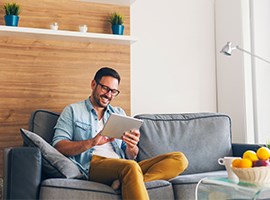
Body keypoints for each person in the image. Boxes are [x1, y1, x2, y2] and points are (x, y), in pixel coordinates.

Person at [52, 67, 188, 200]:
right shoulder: (73, 110)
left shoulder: (118, 113)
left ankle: (124, 182)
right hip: (93, 165)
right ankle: (128, 179)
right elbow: (58, 146)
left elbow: (131, 156)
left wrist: (131, 147)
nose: (108, 95)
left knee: (179, 159)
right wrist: (92, 142)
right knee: (131, 167)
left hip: (124, 166)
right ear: (93, 84)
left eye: (113, 91)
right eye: (105, 88)